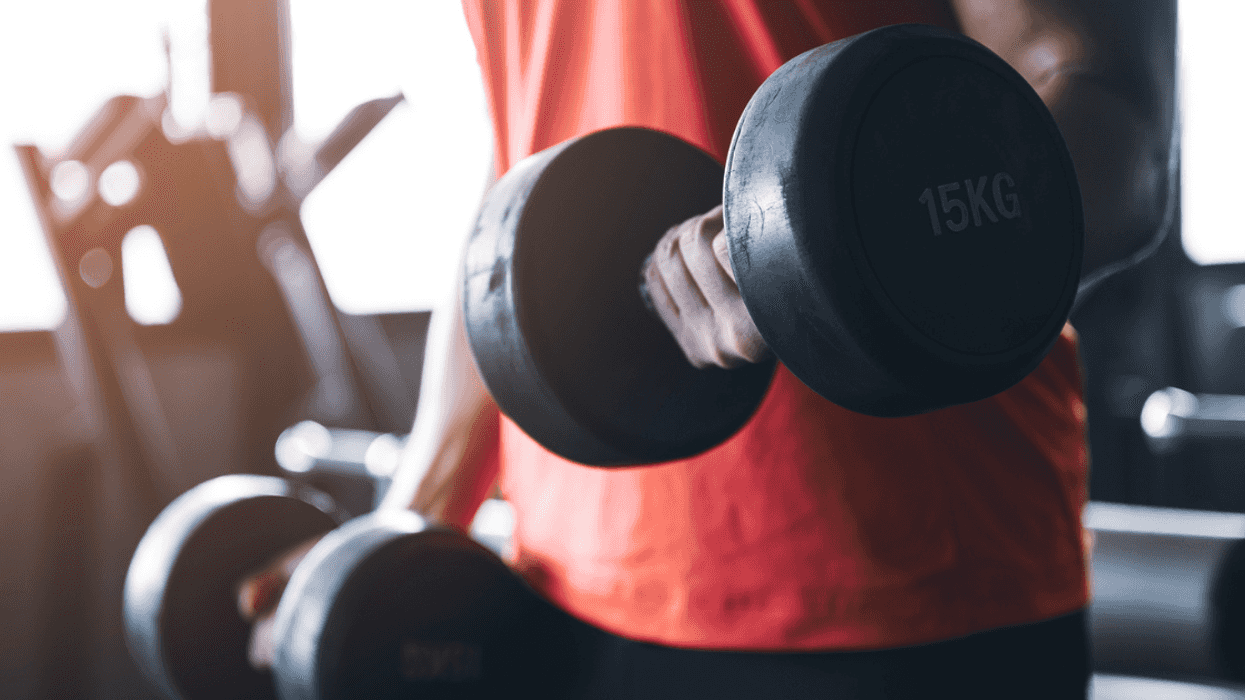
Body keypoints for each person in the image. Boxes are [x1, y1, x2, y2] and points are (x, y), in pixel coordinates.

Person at [240, 1, 1175, 697]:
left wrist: (823, 260)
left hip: (892, 590)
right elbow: (527, 183)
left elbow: (1116, 139)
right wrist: (409, 520)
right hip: (568, 589)